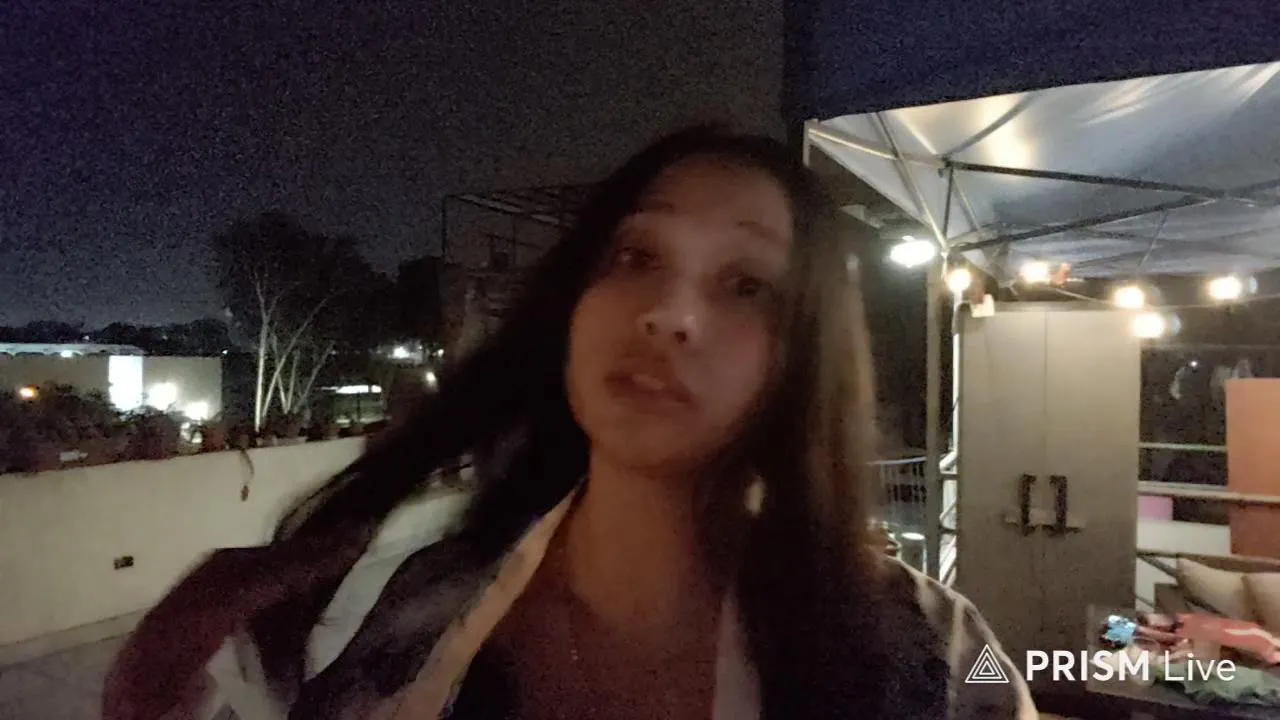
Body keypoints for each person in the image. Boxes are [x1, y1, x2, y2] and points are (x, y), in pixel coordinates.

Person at [104, 126, 1036, 719]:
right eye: (636, 256)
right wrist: (154, 700)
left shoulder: (950, 656)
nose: (669, 313)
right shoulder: (427, 606)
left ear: (803, 355)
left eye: (746, 284)